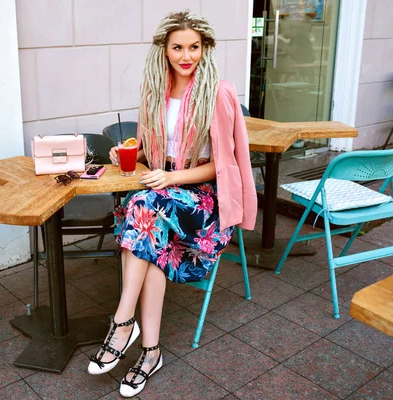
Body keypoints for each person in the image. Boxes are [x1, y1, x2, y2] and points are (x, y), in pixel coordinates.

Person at [87, 11, 257, 397]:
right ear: (164, 50)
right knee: (149, 231)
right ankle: (150, 352)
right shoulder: (155, 91)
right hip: (163, 200)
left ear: (205, 48)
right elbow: (154, 150)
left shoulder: (219, 92)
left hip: (202, 201)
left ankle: (122, 323)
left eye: (194, 47)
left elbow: (222, 164)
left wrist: (171, 178)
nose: (186, 55)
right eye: (178, 47)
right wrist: (130, 151)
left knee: (145, 208)